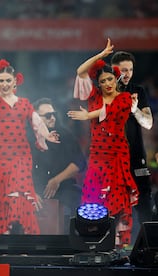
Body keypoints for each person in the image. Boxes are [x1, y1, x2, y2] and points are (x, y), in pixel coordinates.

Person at [0, 37, 59, 235]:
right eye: (1, 81)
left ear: (15, 81)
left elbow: (37, 121)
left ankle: (23, 237)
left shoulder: (25, 103)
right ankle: (1, 237)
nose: (4, 84)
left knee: (20, 195)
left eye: (8, 80)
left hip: (20, 155)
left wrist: (48, 135)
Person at [67, 38, 139, 248]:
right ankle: (94, 243)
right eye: (102, 81)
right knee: (93, 202)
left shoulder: (125, 98)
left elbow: (110, 112)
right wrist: (101, 55)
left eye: (110, 79)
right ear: (98, 84)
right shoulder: (93, 96)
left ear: (116, 79)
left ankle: (121, 246)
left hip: (117, 157)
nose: (107, 84)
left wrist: (88, 116)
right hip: (97, 158)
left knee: (119, 204)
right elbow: (80, 71)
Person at [110, 51, 154, 239]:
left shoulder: (138, 91)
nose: (127, 74)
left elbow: (148, 123)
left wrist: (134, 109)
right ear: (114, 70)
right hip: (114, 159)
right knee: (114, 206)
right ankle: (112, 246)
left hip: (137, 157)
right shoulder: (106, 91)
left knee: (145, 204)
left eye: (130, 70)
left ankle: (150, 248)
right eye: (123, 70)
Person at [31, 97, 86, 233]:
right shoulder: (29, 138)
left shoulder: (64, 134)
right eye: (48, 115)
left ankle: (72, 243)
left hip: (64, 188)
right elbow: (20, 168)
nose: (52, 118)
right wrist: (30, 190)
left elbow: (79, 162)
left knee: (75, 202)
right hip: (36, 189)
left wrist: (57, 180)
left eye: (54, 114)